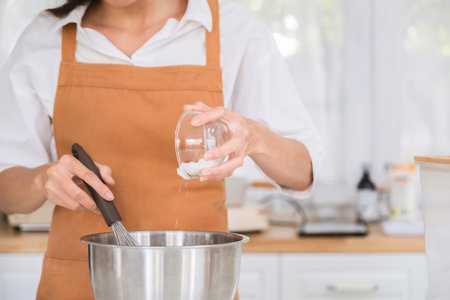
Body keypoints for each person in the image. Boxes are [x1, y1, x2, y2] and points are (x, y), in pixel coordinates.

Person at [0, 0, 324, 299]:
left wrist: (256, 137)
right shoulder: (45, 38)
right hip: (79, 284)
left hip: (198, 287)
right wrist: (41, 180)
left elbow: (302, 173)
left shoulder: (234, 30)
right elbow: (6, 187)